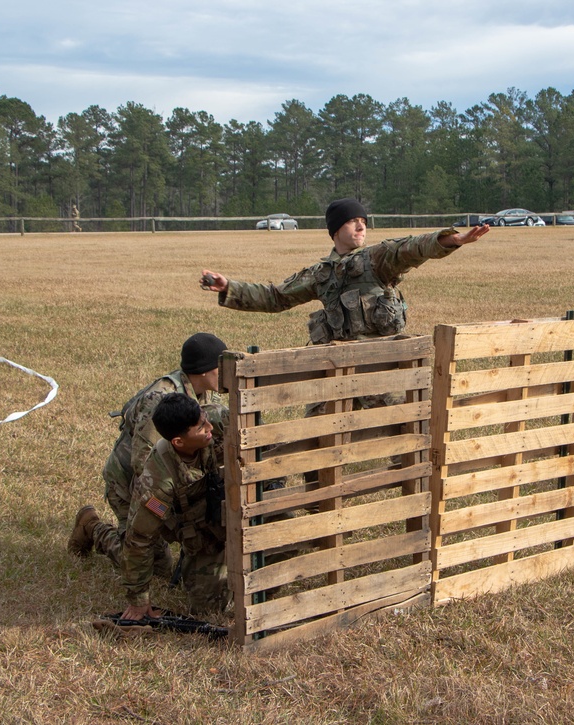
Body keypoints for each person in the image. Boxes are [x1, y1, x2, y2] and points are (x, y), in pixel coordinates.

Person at [200, 198, 487, 417]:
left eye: (363, 220)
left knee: (402, 427)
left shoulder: (378, 258)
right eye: (353, 221)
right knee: (315, 430)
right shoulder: (320, 273)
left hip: (378, 364)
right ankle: (317, 490)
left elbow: (411, 248)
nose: (361, 226)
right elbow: (276, 297)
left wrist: (452, 240)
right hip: (334, 364)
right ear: (336, 230)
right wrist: (230, 288)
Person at [67, 332, 227, 573]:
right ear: (204, 371)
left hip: (159, 478)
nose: (226, 374)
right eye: (221, 368)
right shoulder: (160, 399)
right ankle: (92, 526)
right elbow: (143, 464)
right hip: (131, 484)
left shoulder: (202, 390)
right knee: (145, 564)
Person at [71, 393, 229, 619]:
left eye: (205, 419)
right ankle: (93, 527)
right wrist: (138, 601)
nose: (209, 427)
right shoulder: (156, 481)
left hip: (228, 516)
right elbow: (139, 540)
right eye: (201, 427)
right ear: (178, 442)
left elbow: (263, 433)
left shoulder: (217, 419)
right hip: (202, 533)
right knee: (206, 608)